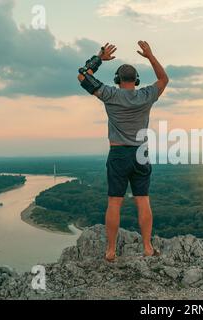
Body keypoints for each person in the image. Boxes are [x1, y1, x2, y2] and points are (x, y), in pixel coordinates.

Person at [77, 41, 169, 261]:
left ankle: (110, 251)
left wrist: (99, 57)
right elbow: (164, 79)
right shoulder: (146, 95)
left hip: (118, 154)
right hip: (140, 153)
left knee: (114, 202)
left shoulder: (109, 94)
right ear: (136, 80)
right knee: (143, 199)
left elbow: (82, 76)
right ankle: (147, 247)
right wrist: (150, 55)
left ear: (117, 80)